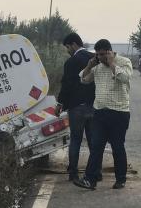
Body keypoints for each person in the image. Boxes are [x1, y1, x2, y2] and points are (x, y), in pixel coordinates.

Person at [73, 39, 133, 190]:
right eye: (97, 55)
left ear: (110, 52)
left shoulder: (124, 62)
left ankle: (121, 179)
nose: (100, 58)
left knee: (117, 146)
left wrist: (112, 63)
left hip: (119, 113)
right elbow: (83, 80)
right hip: (99, 112)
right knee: (96, 146)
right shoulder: (97, 67)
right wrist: (89, 65)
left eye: (103, 55)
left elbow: (125, 78)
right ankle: (90, 180)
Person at [56, 32, 96, 182]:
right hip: (93, 106)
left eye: (68, 47)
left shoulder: (71, 62)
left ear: (74, 44)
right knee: (93, 141)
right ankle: (95, 172)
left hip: (76, 107)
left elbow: (66, 85)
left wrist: (60, 104)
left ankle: (73, 173)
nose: (68, 50)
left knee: (76, 140)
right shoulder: (94, 58)